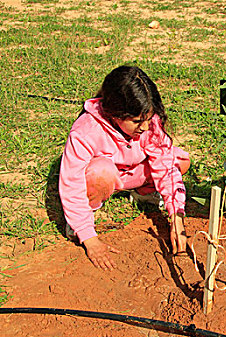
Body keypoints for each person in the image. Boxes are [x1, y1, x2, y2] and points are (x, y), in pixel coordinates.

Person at [59, 66, 191, 271]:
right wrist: (89, 238)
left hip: (132, 173)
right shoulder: (86, 131)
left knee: (179, 161)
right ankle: (80, 220)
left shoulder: (148, 121)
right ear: (116, 113)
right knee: (102, 173)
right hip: (104, 176)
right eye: (137, 122)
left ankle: (142, 193)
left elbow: (164, 166)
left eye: (148, 119)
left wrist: (177, 216)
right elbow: (71, 183)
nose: (146, 127)